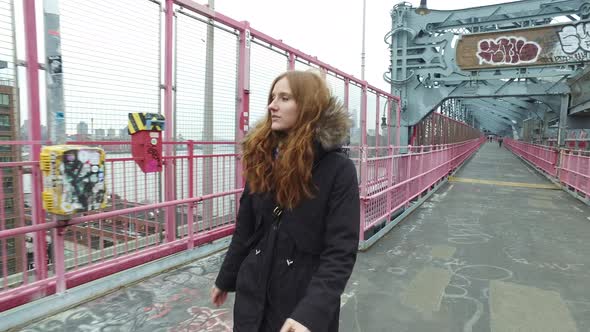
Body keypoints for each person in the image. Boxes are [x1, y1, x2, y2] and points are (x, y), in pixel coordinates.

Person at [211, 70, 360, 332]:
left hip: (300, 303)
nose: (272, 105)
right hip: (253, 293)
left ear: (307, 106)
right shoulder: (263, 158)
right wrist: (227, 277)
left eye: (284, 98)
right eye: (272, 97)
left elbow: (341, 250)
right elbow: (246, 228)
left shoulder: (338, 169)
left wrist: (311, 313)